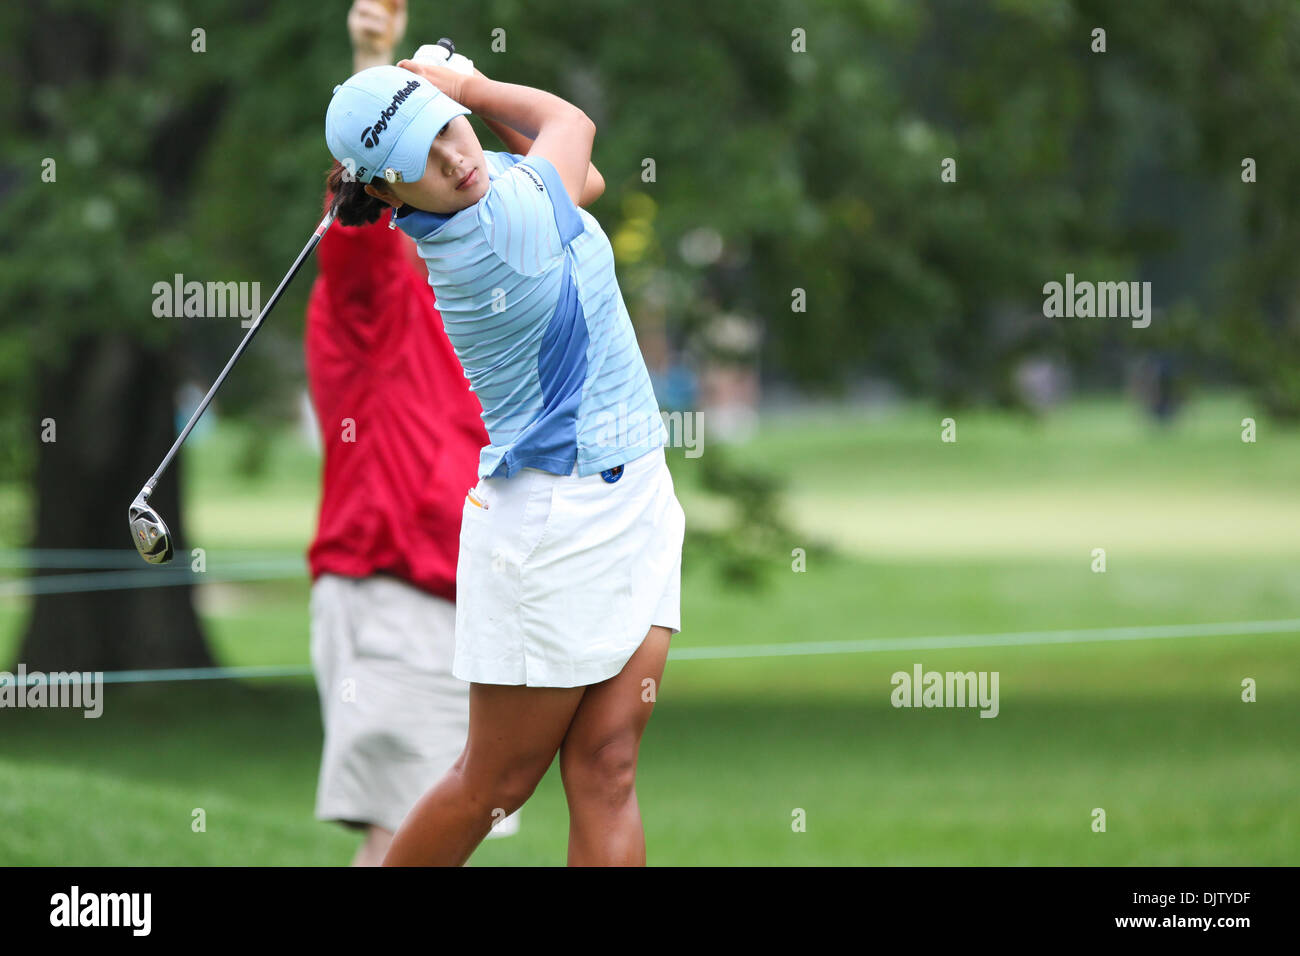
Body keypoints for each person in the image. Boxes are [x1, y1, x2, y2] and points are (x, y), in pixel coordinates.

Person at [322, 54, 686, 866]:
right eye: (421, 161)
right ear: (386, 195)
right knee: (493, 784)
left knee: (608, 768)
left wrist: (462, 111)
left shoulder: (497, 197)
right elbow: (574, 130)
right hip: (552, 532)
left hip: (637, 496)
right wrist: (473, 90)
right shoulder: (501, 231)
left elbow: (581, 181)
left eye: (448, 133)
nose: (456, 160)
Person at [305, 0, 526, 865]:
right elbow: (353, 208)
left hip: (459, 596)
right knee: (405, 843)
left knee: (433, 844)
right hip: (388, 587)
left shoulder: (477, 300)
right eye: (413, 165)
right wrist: (374, 62)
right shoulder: (372, 296)